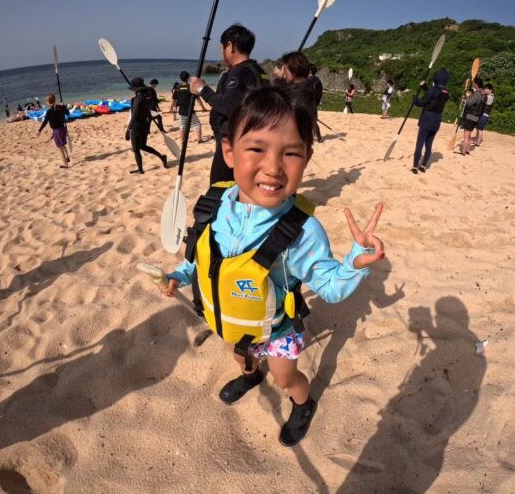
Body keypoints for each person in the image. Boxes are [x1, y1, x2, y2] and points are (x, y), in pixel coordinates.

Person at [158, 84, 385, 446]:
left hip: (277, 330)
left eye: (291, 153)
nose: (274, 167)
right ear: (229, 152)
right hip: (231, 319)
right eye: (257, 148)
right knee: (240, 356)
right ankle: (250, 375)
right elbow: (203, 258)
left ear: (307, 158)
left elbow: (329, 286)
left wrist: (354, 262)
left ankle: (303, 402)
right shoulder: (213, 204)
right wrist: (177, 275)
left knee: (285, 377)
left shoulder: (301, 231)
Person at [190, 24, 269, 184]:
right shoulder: (258, 71)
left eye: (221, 49)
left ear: (230, 46)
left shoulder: (240, 72)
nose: (221, 54)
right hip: (251, 137)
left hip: (234, 140)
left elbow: (229, 106)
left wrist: (202, 89)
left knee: (218, 186)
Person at [411, 69, 450, 173]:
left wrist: (415, 99)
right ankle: (423, 166)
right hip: (437, 120)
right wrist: (425, 86)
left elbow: (422, 102)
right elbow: (434, 94)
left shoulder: (433, 90)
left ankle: (415, 166)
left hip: (427, 118)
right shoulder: (446, 92)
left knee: (420, 143)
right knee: (429, 144)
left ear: (436, 78)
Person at [125, 77, 167, 174]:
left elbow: (134, 116)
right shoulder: (148, 97)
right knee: (143, 146)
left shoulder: (137, 99)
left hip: (137, 126)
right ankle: (162, 156)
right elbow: (149, 110)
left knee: (136, 149)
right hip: (145, 124)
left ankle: (140, 170)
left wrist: (128, 130)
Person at [171, 71, 207, 144]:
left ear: (180, 78)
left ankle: (182, 141)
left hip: (181, 111)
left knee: (182, 126)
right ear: (188, 78)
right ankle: (199, 139)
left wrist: (170, 109)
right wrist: (203, 108)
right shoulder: (191, 87)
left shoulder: (177, 88)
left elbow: (173, 100)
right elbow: (198, 99)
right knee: (197, 124)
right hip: (190, 111)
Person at [37, 94, 70, 168]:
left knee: (60, 148)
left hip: (57, 131)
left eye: (46, 101)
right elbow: (68, 113)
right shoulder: (60, 108)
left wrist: (39, 130)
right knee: (63, 145)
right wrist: (64, 107)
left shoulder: (49, 111)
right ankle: (67, 157)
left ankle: (66, 165)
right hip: (63, 129)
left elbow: (45, 122)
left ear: (48, 102)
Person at [460, 77, 483, 155]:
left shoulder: (477, 94)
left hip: (471, 116)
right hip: (475, 116)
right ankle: (467, 150)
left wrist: (467, 96)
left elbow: (469, 103)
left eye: (473, 83)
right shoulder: (481, 94)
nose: (473, 84)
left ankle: (463, 151)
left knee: (466, 134)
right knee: (469, 134)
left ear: (476, 84)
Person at [307, 63, 324, 143]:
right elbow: (320, 93)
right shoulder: (318, 80)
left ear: (310, 71)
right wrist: (316, 103)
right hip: (313, 103)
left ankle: (316, 137)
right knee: (313, 121)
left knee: (310, 121)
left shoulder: (308, 81)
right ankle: (318, 138)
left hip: (309, 103)